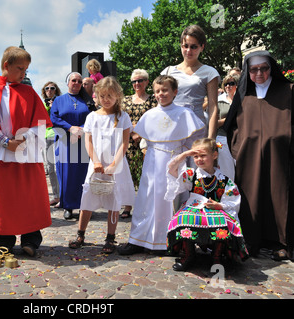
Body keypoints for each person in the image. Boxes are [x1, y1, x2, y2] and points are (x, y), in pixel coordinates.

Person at [0, 46, 52, 257]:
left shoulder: (29, 91)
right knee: (1, 199)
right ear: (6, 66)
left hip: (26, 153)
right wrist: (5, 141)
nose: (24, 73)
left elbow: (41, 123)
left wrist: (23, 137)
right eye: (20, 68)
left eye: (26, 69)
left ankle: (31, 240)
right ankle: (4, 241)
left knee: (28, 196)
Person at [118, 75, 205, 255]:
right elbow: (142, 138)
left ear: (175, 92)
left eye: (165, 90)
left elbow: (194, 140)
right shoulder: (149, 115)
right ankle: (138, 239)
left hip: (175, 161)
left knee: (170, 200)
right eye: (157, 91)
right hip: (152, 161)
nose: (160, 94)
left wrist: (185, 158)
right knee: (146, 199)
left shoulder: (184, 114)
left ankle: (168, 241)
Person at [224, 50, 294, 261]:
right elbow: (232, 126)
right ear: (248, 71)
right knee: (250, 196)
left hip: (280, 155)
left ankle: (281, 243)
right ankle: (250, 241)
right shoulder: (244, 95)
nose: (259, 74)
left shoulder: (288, 91)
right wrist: (239, 147)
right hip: (250, 156)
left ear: (271, 68)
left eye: (264, 68)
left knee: (280, 196)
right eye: (254, 70)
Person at [68, 76, 134, 254]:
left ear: (117, 96)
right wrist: (96, 161)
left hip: (116, 164)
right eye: (102, 96)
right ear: (97, 96)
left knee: (114, 200)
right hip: (96, 164)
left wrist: (114, 164)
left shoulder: (123, 117)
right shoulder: (92, 117)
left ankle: (110, 238)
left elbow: (124, 143)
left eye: (109, 96)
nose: (106, 99)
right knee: (88, 197)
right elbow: (88, 142)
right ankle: (81, 234)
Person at [165, 138, 249, 271]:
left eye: (203, 155)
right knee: (184, 218)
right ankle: (189, 255)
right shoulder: (191, 175)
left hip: (215, 209)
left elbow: (233, 200)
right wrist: (185, 154)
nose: (199, 159)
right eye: (196, 156)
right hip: (194, 208)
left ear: (214, 155)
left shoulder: (224, 179)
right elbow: (171, 168)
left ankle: (217, 256)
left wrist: (220, 206)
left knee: (221, 221)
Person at [161, 25, 220, 139]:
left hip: (196, 131)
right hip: (170, 130)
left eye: (193, 47)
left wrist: (211, 139)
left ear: (202, 47)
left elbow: (213, 108)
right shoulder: (168, 71)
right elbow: (160, 104)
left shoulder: (209, 72)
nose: (189, 51)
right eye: (185, 46)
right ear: (181, 46)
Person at [50, 72, 95, 220]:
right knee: (66, 173)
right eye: (73, 80)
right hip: (65, 141)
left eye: (79, 81)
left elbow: (92, 116)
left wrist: (81, 129)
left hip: (83, 140)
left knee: (83, 173)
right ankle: (68, 206)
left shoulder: (86, 100)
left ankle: (84, 205)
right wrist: (70, 128)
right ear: (68, 82)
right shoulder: (58, 100)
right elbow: (54, 118)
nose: (76, 83)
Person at [121, 69, 157, 218]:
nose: (137, 83)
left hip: (146, 143)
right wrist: (131, 132)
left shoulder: (153, 100)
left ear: (147, 82)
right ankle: (127, 206)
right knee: (128, 176)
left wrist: (140, 133)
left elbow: (155, 120)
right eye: (134, 81)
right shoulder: (125, 100)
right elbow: (120, 119)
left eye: (140, 80)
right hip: (127, 142)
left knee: (146, 175)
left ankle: (145, 206)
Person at [41, 81, 62, 206]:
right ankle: (56, 196)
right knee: (50, 168)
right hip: (45, 137)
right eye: (47, 88)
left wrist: (54, 107)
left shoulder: (59, 102)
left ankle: (63, 195)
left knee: (59, 166)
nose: (49, 90)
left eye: (52, 88)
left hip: (57, 135)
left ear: (56, 90)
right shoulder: (42, 104)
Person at [216, 74, 239, 180]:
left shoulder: (243, 101)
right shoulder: (219, 101)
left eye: (231, 83)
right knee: (226, 169)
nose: (228, 86)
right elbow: (213, 123)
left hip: (239, 137)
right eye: (226, 84)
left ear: (237, 85)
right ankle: (228, 193)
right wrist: (228, 120)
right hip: (222, 138)